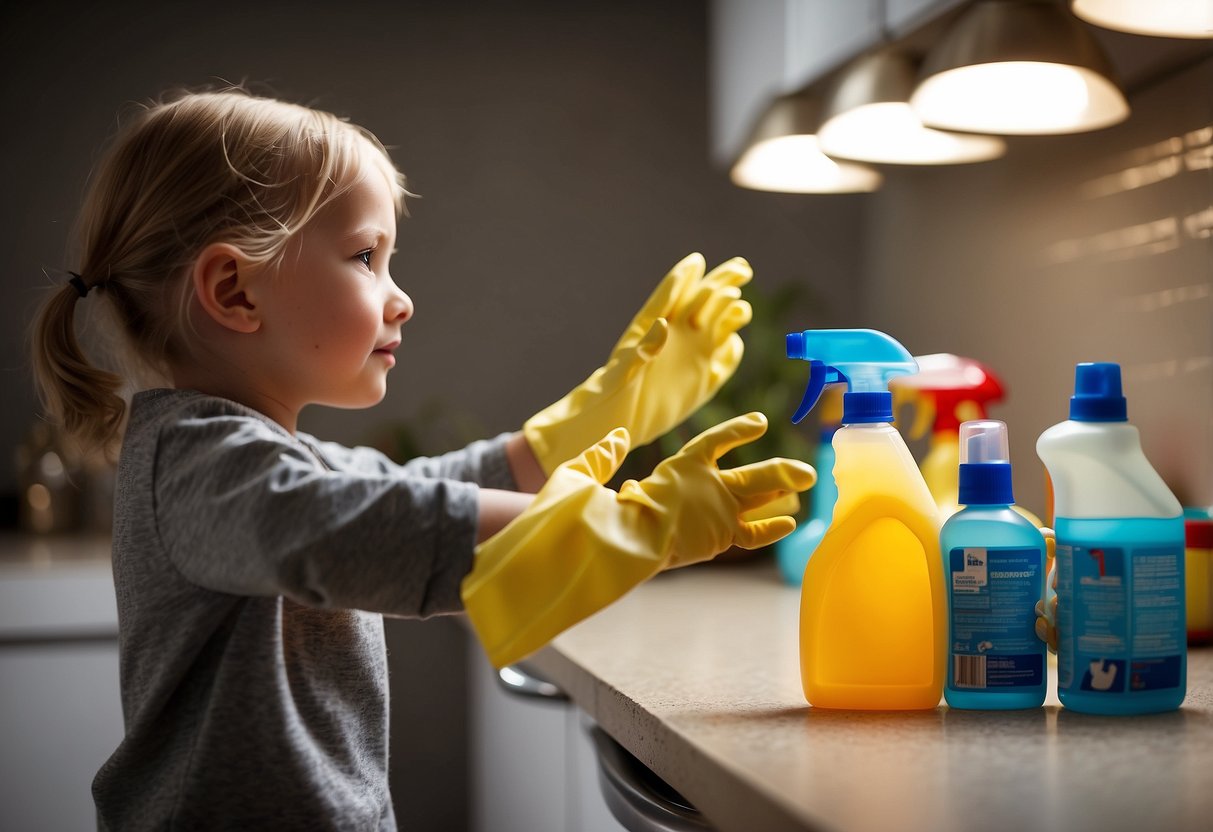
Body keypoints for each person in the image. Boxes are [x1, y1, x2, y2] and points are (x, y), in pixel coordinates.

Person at [30, 87, 815, 830]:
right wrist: (631, 524)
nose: (399, 297)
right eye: (365, 257)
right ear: (235, 291)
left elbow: (420, 491)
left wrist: (600, 414)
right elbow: (368, 529)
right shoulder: (197, 467)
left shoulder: (255, 454)